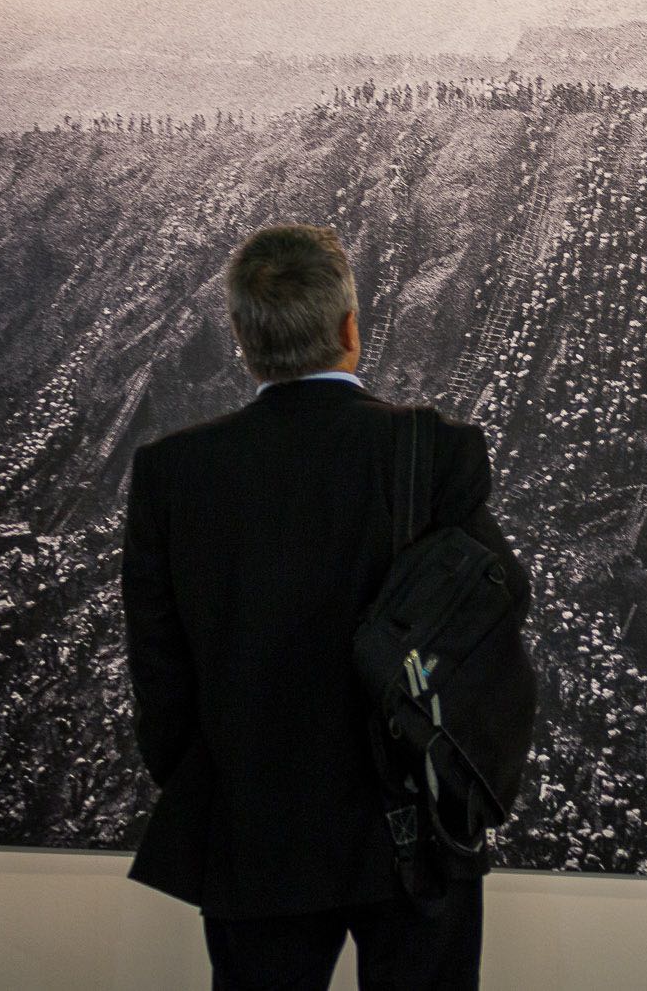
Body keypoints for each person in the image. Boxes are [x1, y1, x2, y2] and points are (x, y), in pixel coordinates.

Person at [123, 224, 527, 991]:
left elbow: (161, 674)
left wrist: (221, 780)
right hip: (413, 818)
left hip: (254, 828)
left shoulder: (173, 473)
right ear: (350, 327)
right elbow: (500, 608)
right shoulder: (432, 450)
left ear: (241, 336)